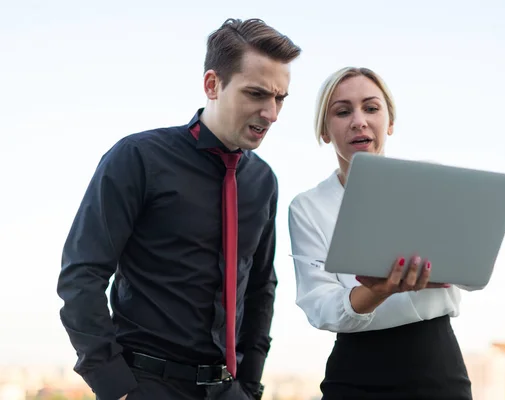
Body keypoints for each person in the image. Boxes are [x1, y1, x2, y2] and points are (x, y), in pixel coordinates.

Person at [57, 18, 301, 400]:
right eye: (256, 94)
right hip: (147, 385)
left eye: (280, 98)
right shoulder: (137, 158)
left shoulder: (262, 181)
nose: (271, 113)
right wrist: (114, 386)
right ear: (212, 85)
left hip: (229, 390)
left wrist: (250, 387)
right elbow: (81, 274)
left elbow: (260, 288)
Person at [288, 67, 480, 399]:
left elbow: (474, 275)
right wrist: (377, 291)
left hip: (435, 365)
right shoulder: (307, 207)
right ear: (324, 130)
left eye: (371, 108)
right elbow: (320, 306)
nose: (358, 120)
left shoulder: (431, 185)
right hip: (355, 372)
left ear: (389, 122)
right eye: (343, 111)